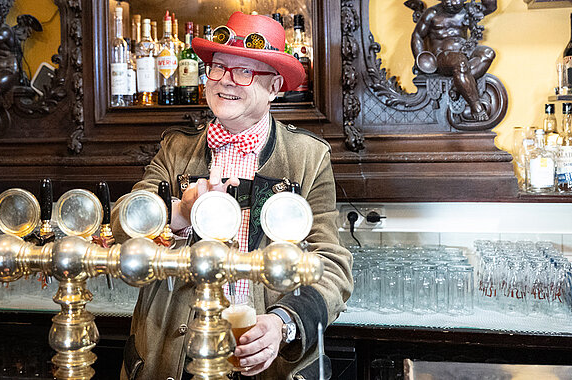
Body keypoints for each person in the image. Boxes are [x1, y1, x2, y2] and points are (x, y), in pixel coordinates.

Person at [112, 11, 353, 380]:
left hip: (263, 359)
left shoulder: (308, 157)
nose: (227, 81)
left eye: (245, 71)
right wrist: (181, 211)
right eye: (219, 67)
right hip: (173, 356)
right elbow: (122, 223)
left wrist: (282, 324)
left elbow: (332, 265)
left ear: (274, 86)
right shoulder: (175, 149)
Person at [411, 0, 497, 121]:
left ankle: (458, 86)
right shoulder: (432, 13)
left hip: (465, 51)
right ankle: (475, 105)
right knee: (460, 61)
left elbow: (491, 6)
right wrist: (420, 59)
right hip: (441, 57)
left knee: (488, 53)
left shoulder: (469, 10)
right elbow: (417, 36)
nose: (450, 2)